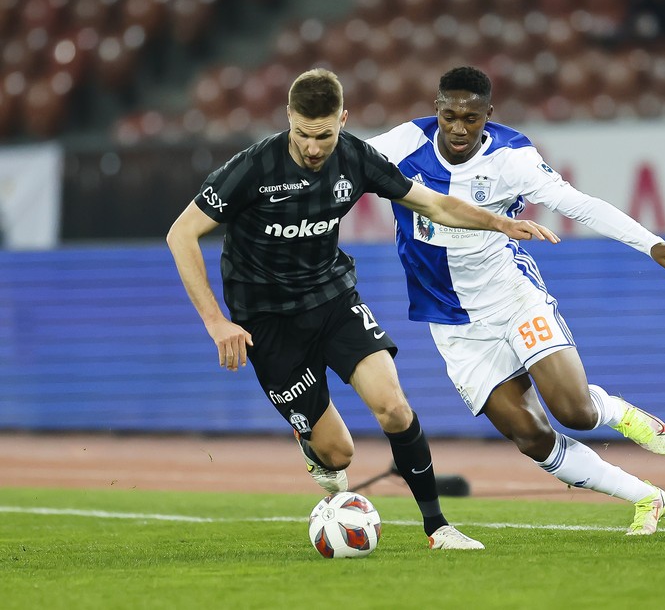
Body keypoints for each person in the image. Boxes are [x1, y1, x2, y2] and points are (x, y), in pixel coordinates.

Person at [166, 68, 557, 550]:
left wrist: (497, 222)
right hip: (266, 321)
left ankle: (438, 527)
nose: (313, 147)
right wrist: (214, 320)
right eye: (304, 134)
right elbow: (181, 234)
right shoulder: (253, 167)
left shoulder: (354, 157)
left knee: (393, 406)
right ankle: (313, 446)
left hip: (331, 297)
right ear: (288, 118)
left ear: (343, 120)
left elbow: (433, 204)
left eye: (325, 135)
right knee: (339, 453)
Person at [367, 66, 665, 536]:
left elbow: (578, 204)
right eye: (449, 115)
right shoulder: (402, 144)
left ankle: (612, 410)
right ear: (436, 109)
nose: (459, 127)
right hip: (451, 321)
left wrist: (650, 243)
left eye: (471, 117)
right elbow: (337, 162)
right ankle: (647, 497)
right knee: (531, 436)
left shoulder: (512, 157)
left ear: (488, 116)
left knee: (575, 413)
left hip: (511, 295)